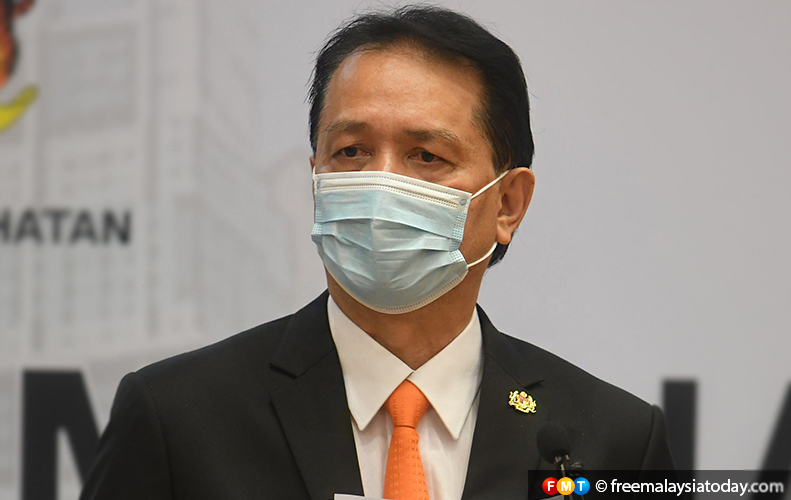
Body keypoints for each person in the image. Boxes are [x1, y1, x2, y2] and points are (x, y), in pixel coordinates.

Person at [80, 5, 674, 500]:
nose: (380, 183)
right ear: (315, 176)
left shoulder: (612, 441)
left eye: (426, 156)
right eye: (351, 152)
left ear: (508, 204)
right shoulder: (178, 418)